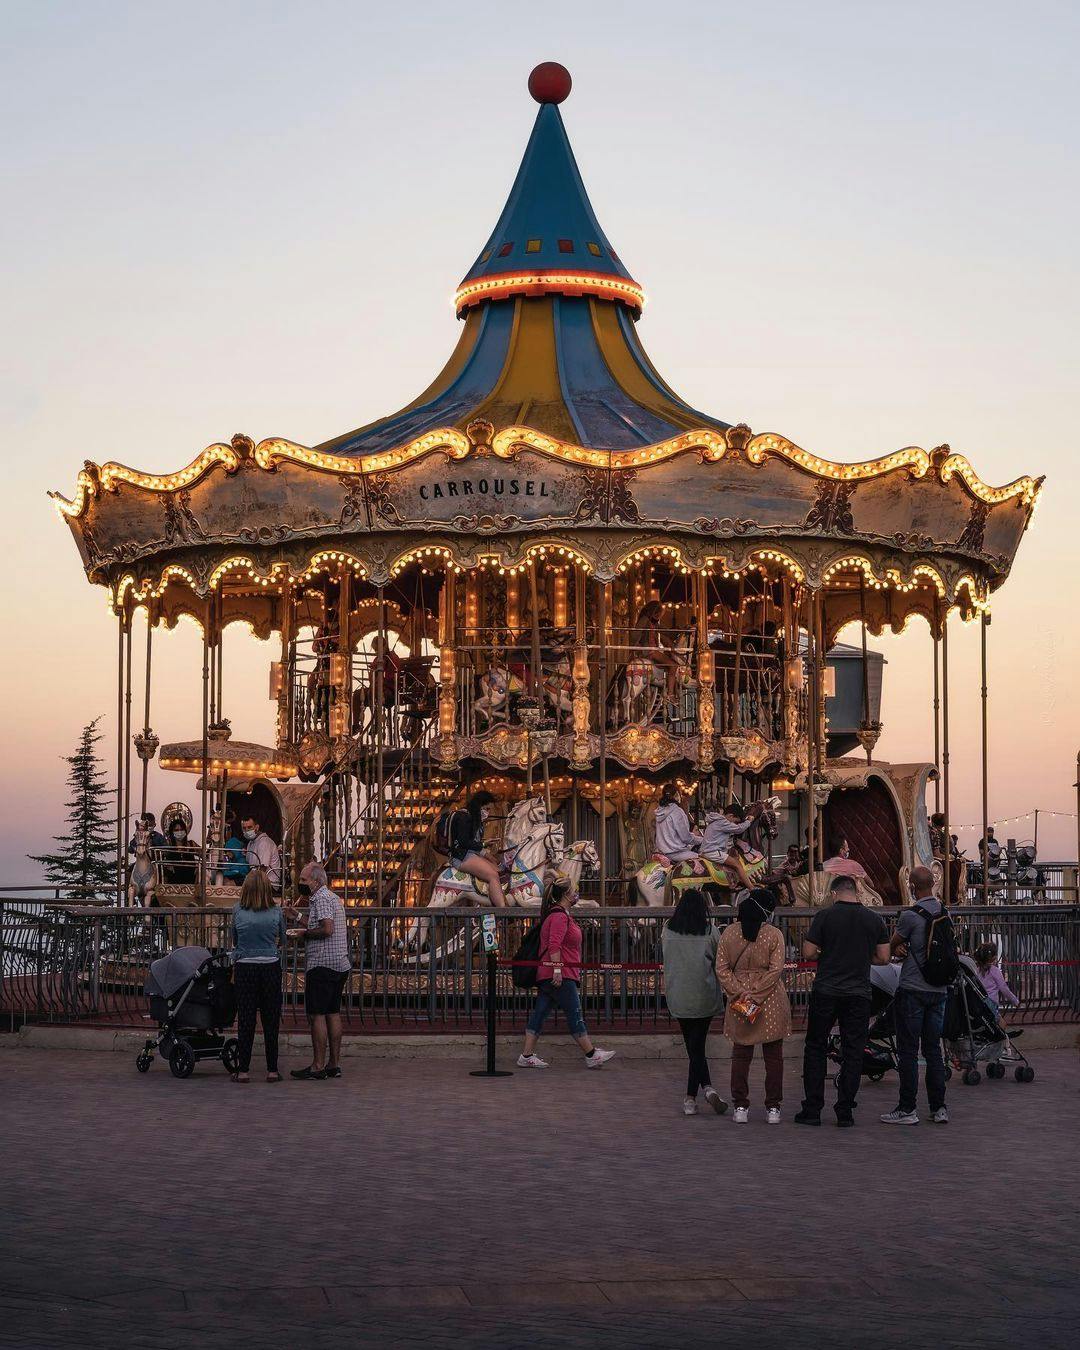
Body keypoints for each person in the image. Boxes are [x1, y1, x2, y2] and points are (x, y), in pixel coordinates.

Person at [795, 873, 891, 1128]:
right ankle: (845, 1110)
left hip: (826, 989)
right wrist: (860, 957)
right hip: (859, 992)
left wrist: (829, 952)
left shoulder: (825, 916)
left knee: (815, 1046)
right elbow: (883, 958)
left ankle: (813, 1108)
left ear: (834, 893)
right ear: (857, 892)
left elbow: (808, 951)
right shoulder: (874, 919)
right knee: (853, 1050)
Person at [518, 878, 615, 1070]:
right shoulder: (559, 917)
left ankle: (526, 1055)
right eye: (574, 890)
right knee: (574, 1013)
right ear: (565, 894)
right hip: (560, 973)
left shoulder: (558, 915)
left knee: (540, 1014)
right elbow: (554, 945)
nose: (576, 893)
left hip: (552, 973)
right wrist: (557, 970)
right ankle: (591, 1054)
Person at [716, 887, 791, 1123]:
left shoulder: (728, 933)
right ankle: (773, 1108)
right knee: (773, 1056)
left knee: (740, 1054)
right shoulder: (774, 934)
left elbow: (722, 968)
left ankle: (740, 1106)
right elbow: (776, 969)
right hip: (769, 999)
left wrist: (740, 993)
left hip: (740, 1000)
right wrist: (756, 995)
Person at [882, 866, 950, 1125]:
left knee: (908, 1050)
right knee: (933, 1049)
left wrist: (900, 948)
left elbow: (891, 944)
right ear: (933, 884)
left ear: (911, 886)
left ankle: (907, 1108)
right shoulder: (946, 912)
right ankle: (939, 1107)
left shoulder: (911, 916)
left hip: (913, 987)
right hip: (939, 989)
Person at [661, 888, 728, 1116]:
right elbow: (721, 961)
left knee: (694, 1047)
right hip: (703, 995)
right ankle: (694, 1095)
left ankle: (703, 1091)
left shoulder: (667, 931)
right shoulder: (710, 932)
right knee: (697, 1046)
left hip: (678, 995)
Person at [285, 863, 351, 1081]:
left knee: (317, 1015)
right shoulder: (330, 898)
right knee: (332, 1012)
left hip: (323, 963)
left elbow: (326, 928)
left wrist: (302, 934)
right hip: (339, 963)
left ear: (316, 880)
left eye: (304, 880)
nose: (301, 884)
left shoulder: (321, 898)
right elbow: (317, 922)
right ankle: (334, 1064)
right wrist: (296, 917)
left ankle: (318, 1065)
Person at [230, 867, 285, 1083]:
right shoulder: (276, 911)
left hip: (245, 966)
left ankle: (243, 1069)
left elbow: (234, 938)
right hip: (270, 965)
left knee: (246, 1019)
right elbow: (282, 938)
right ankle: (272, 1069)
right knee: (271, 1019)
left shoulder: (237, 911)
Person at [448, 791, 507, 907]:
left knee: (499, 870)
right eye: (486, 808)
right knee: (492, 875)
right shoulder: (464, 817)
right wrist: (483, 845)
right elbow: (463, 841)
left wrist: (485, 846)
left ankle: (489, 900)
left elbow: (473, 842)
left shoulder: (475, 820)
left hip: (470, 854)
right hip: (461, 856)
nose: (488, 813)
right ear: (479, 805)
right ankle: (503, 911)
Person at [630, 600, 681, 703]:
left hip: (651, 649)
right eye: (659, 614)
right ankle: (670, 694)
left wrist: (681, 630)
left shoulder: (653, 623)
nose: (660, 616)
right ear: (654, 612)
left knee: (669, 661)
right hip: (649, 650)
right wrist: (636, 646)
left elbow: (667, 632)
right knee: (673, 665)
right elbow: (635, 635)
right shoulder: (645, 620)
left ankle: (664, 688)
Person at [700, 802, 755, 892]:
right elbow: (739, 829)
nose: (735, 824)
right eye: (735, 821)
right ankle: (752, 889)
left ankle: (734, 882)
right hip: (712, 852)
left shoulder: (716, 821)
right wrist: (749, 821)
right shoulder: (723, 822)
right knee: (737, 864)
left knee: (732, 860)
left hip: (709, 851)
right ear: (730, 816)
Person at [653, 783, 701, 863]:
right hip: (677, 853)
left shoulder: (660, 811)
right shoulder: (677, 811)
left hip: (662, 852)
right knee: (704, 860)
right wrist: (701, 840)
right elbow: (685, 838)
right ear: (676, 795)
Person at [974, 941, 1019, 1024]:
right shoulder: (995, 971)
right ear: (993, 957)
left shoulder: (976, 970)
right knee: (1001, 1024)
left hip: (978, 1002)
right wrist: (1014, 1000)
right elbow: (1004, 988)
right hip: (991, 1003)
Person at [242, 816, 282, 889]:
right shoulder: (250, 843)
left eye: (249, 827)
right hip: (255, 880)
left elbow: (262, 869)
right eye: (244, 828)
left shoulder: (264, 842)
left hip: (269, 884)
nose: (247, 831)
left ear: (257, 827)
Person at [162, 814, 199, 884]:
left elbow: (204, 855)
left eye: (181, 829)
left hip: (191, 883)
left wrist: (199, 867)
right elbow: (163, 862)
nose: (179, 832)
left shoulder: (191, 844)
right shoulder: (168, 846)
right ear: (172, 832)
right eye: (176, 830)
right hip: (174, 885)